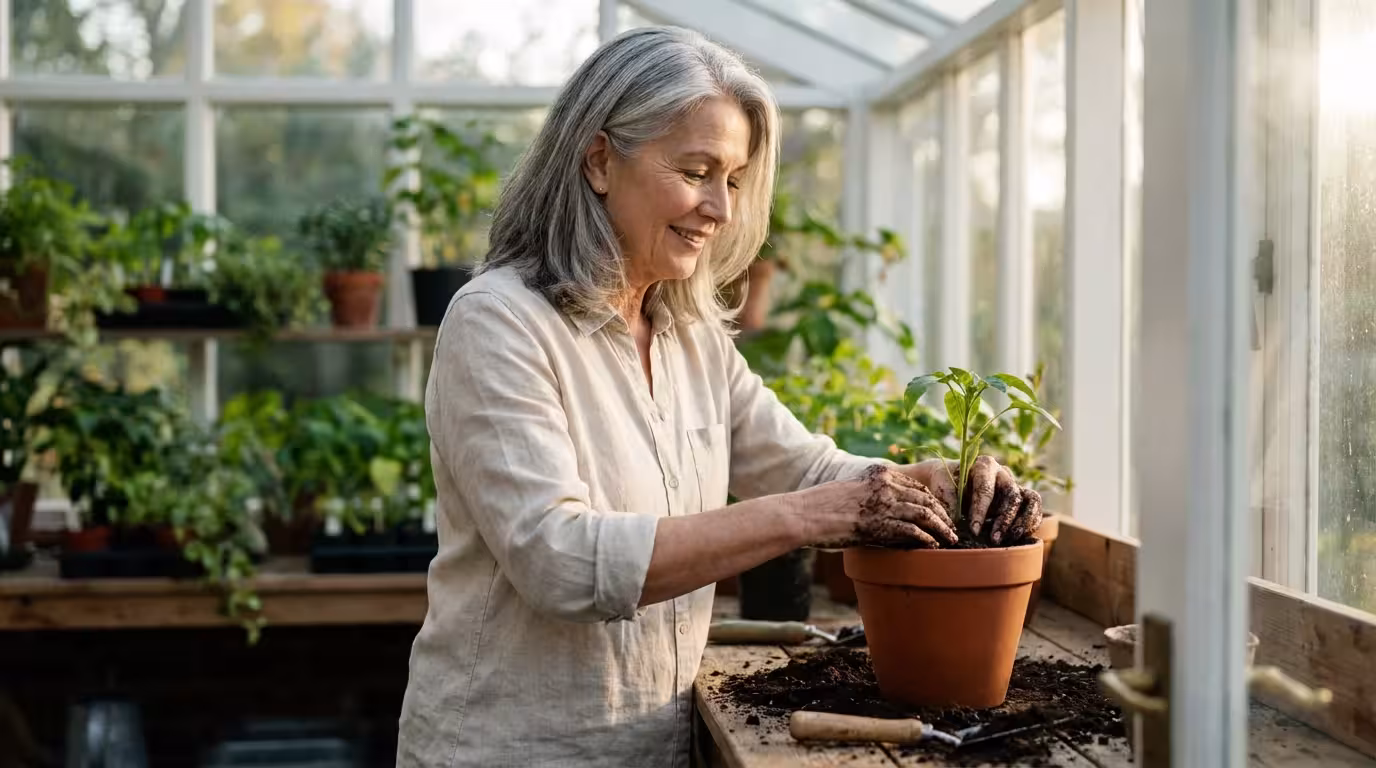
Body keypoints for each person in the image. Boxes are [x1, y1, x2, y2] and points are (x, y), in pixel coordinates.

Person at [396, 25, 1043, 768]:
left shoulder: (688, 335)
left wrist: (939, 482)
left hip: (659, 745)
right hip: (517, 749)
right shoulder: (499, 321)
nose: (721, 208)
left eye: (732, 179)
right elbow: (560, 560)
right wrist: (810, 516)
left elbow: (805, 469)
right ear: (600, 160)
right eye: (697, 170)